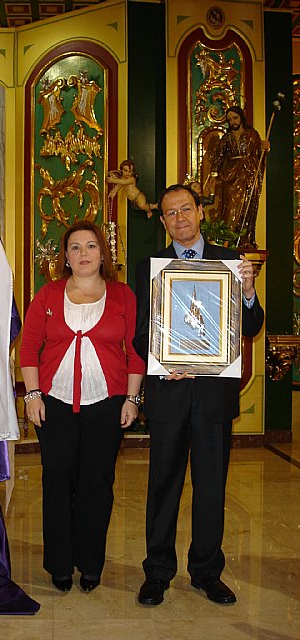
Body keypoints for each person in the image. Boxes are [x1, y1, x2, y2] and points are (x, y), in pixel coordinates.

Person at [133, 184, 264, 606]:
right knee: (163, 486)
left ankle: (207, 572)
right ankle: (157, 573)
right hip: (169, 393)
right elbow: (139, 335)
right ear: (163, 221)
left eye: (186, 209)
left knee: (211, 487)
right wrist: (160, 358)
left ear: (200, 212)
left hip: (213, 395)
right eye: (170, 213)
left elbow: (252, 326)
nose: (180, 219)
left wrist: (246, 291)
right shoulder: (150, 266)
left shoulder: (231, 262)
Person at [20, 219, 145, 593]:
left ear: (102, 253)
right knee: (56, 480)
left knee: (97, 483)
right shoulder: (47, 295)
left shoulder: (123, 295)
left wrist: (132, 399)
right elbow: (29, 349)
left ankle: (90, 563)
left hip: (106, 404)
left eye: (90, 246)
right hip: (53, 404)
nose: (83, 254)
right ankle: (59, 563)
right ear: (66, 256)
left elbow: (136, 352)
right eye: (75, 247)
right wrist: (32, 394)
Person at [206, 106, 270, 248]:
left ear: (241, 117)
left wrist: (264, 148)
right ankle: (228, 239)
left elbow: (259, 157)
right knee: (230, 208)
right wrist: (213, 176)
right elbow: (219, 158)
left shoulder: (252, 134)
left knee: (248, 205)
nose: (233, 121)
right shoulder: (227, 138)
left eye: (235, 118)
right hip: (230, 177)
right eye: (229, 120)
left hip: (249, 174)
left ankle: (245, 240)